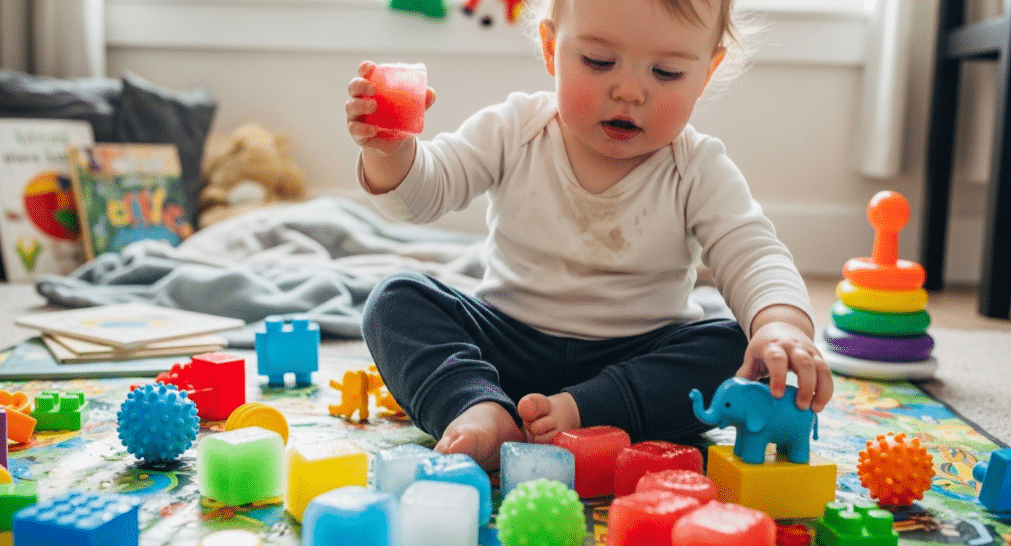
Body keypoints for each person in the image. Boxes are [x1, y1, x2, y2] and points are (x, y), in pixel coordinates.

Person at [345, 0, 834, 470]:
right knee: (395, 299)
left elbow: (752, 254)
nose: (628, 91)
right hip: (507, 345)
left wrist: (781, 325)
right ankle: (477, 406)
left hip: (636, 359)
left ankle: (585, 412)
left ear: (706, 73)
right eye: (599, 61)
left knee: (732, 347)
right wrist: (390, 152)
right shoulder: (515, 128)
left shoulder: (697, 168)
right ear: (551, 48)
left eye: (666, 73)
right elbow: (425, 194)